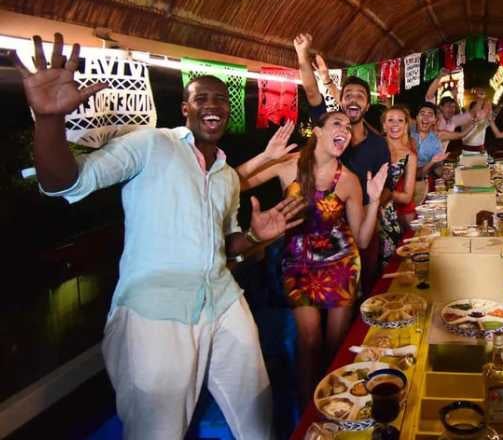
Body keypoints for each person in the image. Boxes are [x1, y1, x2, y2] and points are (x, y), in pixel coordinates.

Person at [10, 34, 306, 440]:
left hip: (222, 301)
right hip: (154, 311)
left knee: (258, 416)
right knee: (158, 431)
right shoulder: (151, 145)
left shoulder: (225, 175)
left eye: (220, 99)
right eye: (201, 98)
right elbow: (66, 182)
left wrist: (255, 235)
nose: (213, 105)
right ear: (185, 108)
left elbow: (228, 244)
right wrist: (49, 119)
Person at [282, 111, 386, 406]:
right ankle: (307, 414)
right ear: (317, 131)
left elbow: (363, 239)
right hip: (298, 265)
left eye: (348, 127)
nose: (345, 130)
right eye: (336, 124)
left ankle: (335, 407)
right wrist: (264, 158)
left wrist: (375, 200)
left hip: (341, 265)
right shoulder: (288, 167)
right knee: (309, 341)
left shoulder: (349, 180)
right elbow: (237, 180)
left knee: (335, 345)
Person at [294, 35, 391, 292]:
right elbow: (312, 90)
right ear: (341, 101)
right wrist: (302, 55)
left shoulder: (379, 144)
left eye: (360, 96)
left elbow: (388, 187)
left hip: (363, 228)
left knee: (367, 286)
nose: (353, 99)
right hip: (320, 230)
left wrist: (370, 208)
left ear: (367, 105)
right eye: (348, 95)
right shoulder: (328, 129)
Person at [379, 106, 418, 261]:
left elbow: (407, 197)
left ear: (406, 125)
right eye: (390, 120)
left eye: (400, 120)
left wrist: (384, 193)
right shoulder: (374, 147)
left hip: (387, 215)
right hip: (363, 211)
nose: (395, 124)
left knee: (388, 263)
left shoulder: (410, 156)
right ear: (383, 125)